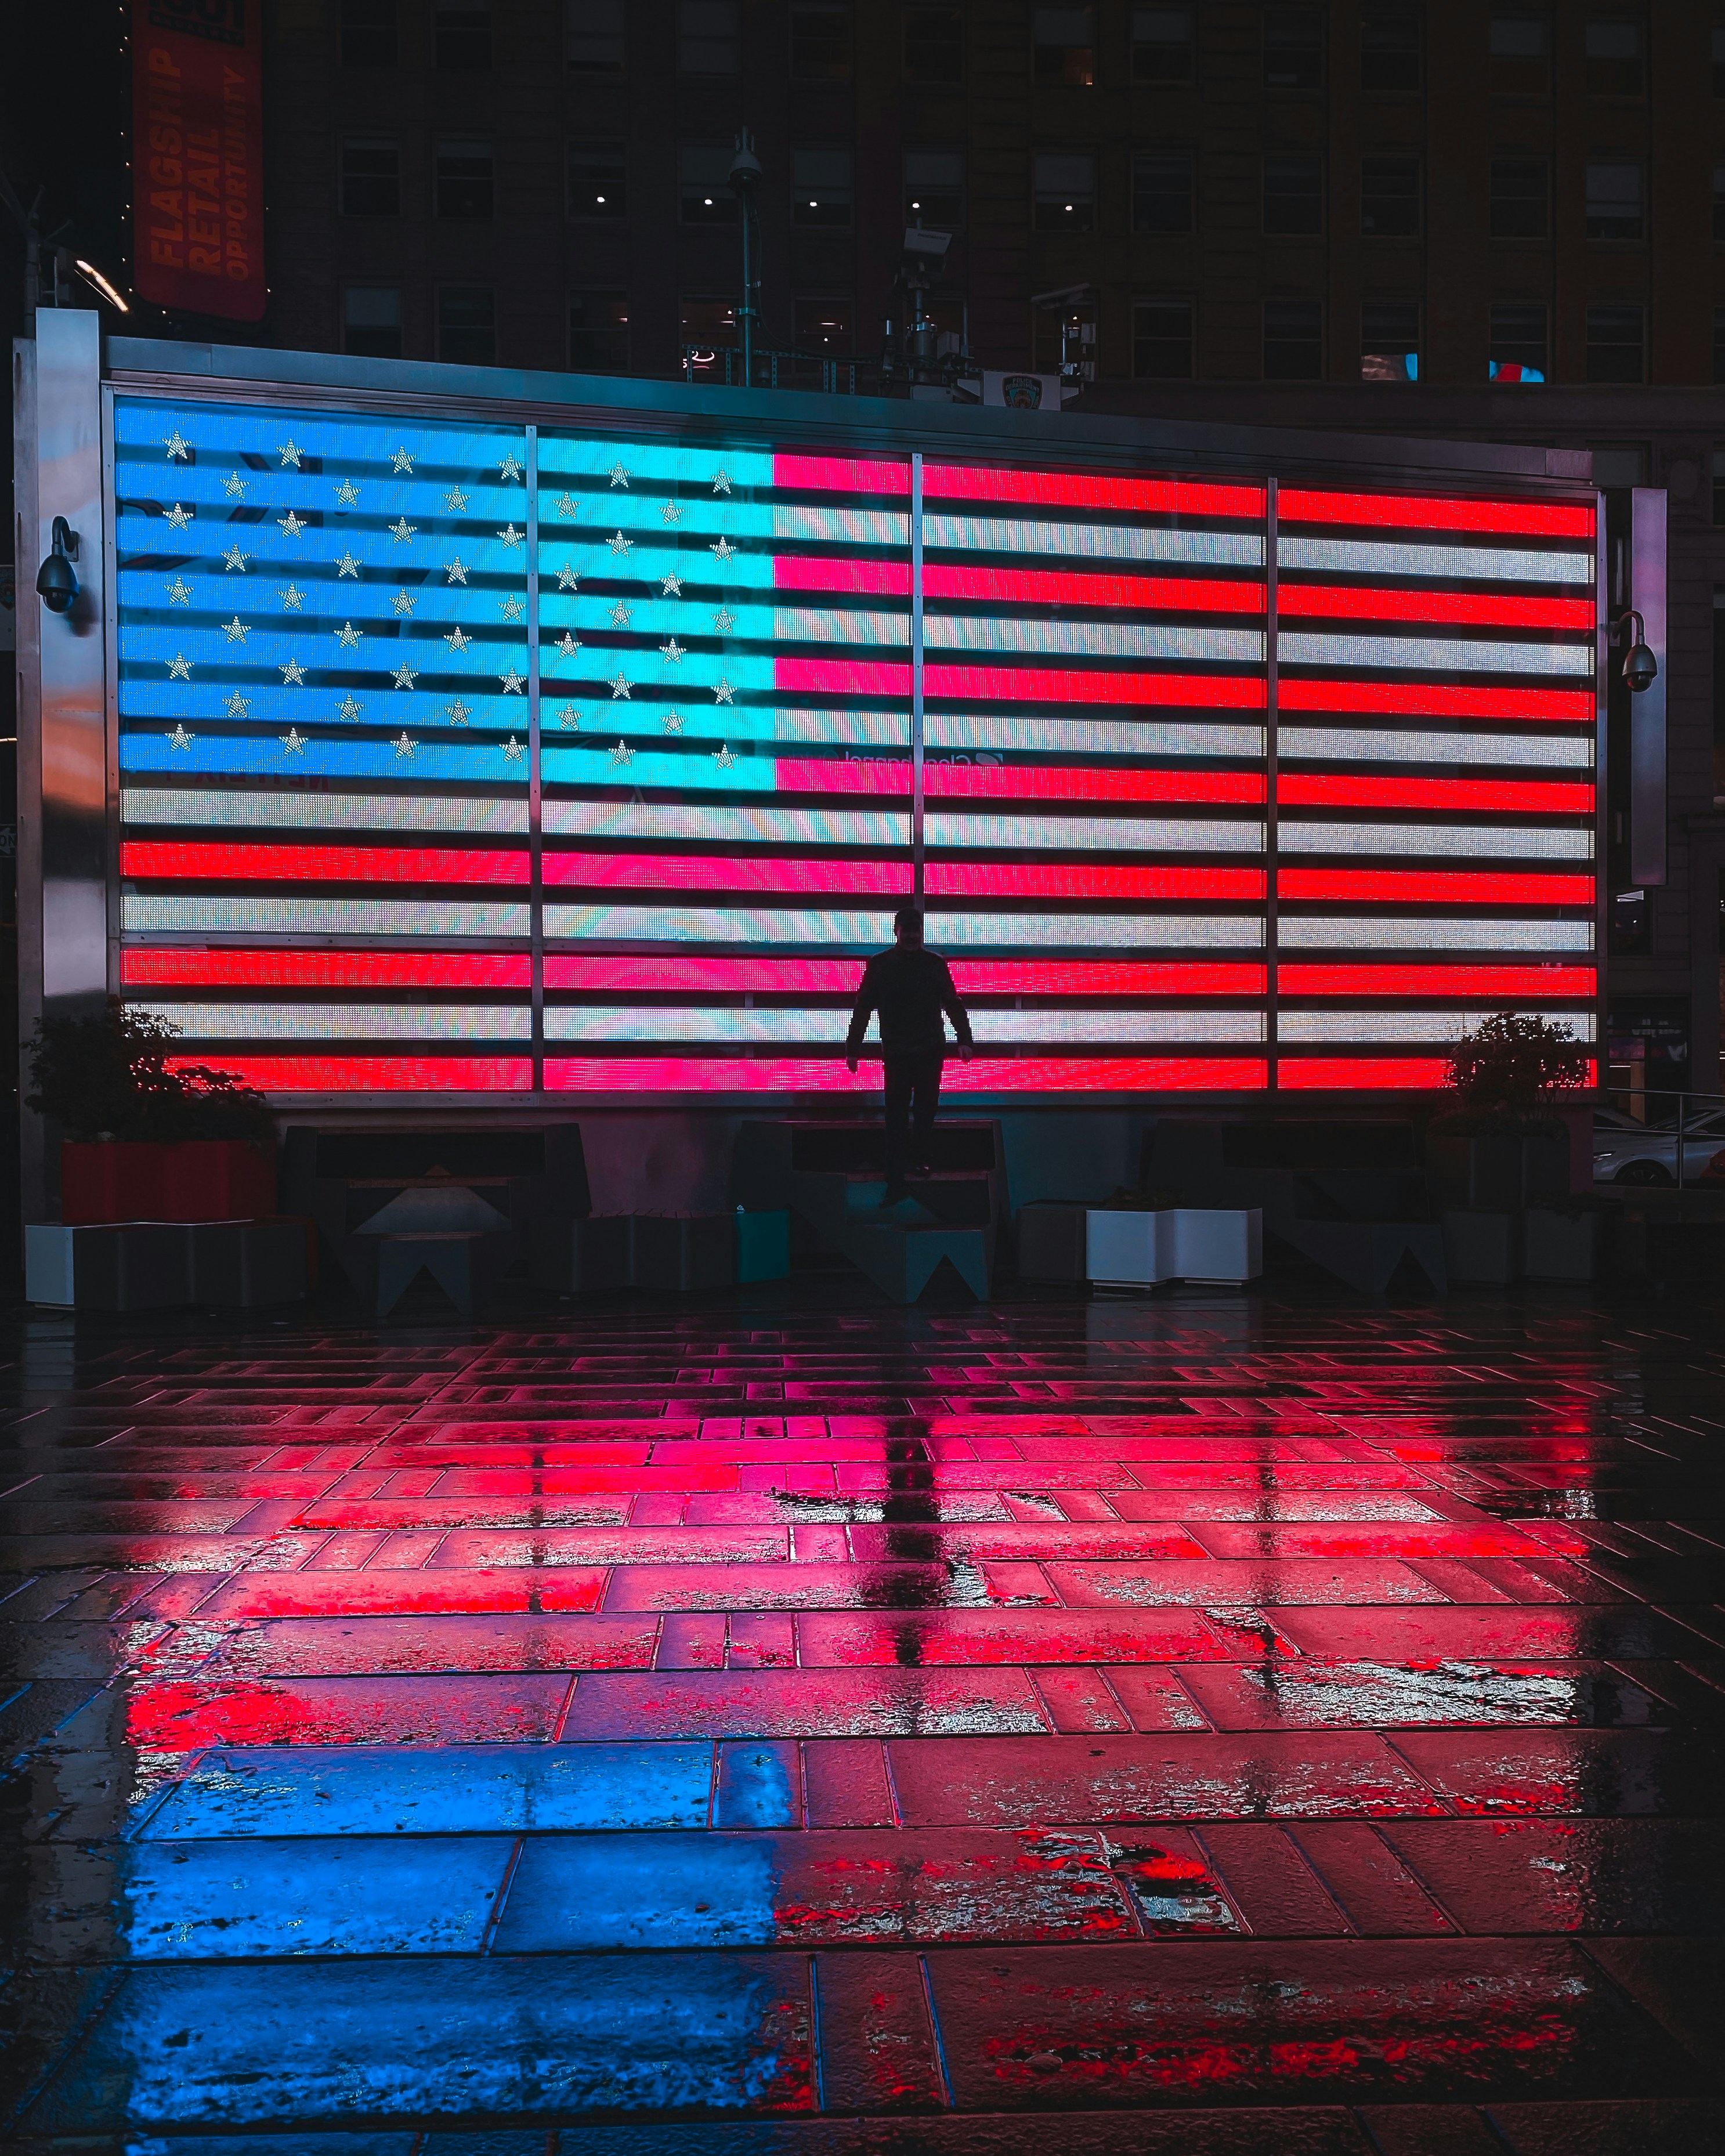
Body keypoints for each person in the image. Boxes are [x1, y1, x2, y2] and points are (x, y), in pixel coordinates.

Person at [845, 907, 973, 1204]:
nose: (913, 936)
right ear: (898, 932)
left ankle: (902, 1174)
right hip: (908, 1050)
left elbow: (952, 1003)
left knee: (914, 1111)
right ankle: (907, 1168)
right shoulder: (922, 964)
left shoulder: (887, 965)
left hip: (915, 1050)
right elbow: (863, 1008)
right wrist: (853, 1047)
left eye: (916, 930)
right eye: (909, 930)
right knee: (905, 1113)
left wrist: (964, 1039)